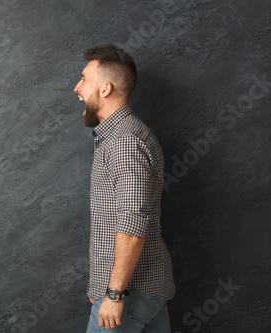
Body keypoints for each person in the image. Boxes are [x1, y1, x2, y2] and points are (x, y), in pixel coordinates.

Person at [74, 44, 175, 332]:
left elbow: (133, 223)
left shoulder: (124, 142)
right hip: (141, 290)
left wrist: (114, 294)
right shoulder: (122, 135)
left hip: (129, 295)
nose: (77, 88)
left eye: (83, 79)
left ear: (105, 89)